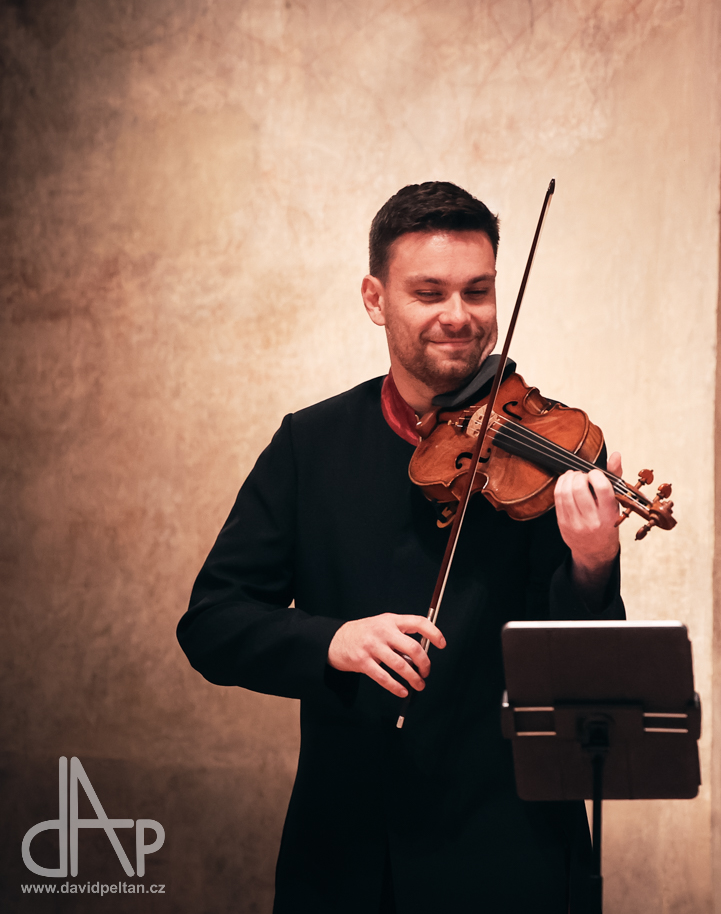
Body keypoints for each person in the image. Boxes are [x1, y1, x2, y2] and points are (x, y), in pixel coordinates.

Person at [177, 182, 624, 913]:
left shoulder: (550, 451)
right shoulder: (311, 445)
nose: (459, 316)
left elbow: (587, 675)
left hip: (512, 852)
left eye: (477, 291)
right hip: (351, 855)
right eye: (429, 292)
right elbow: (212, 624)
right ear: (375, 298)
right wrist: (332, 642)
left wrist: (592, 565)